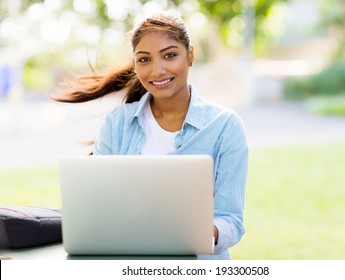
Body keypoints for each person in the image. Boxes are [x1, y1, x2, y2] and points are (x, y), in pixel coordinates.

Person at [53, 13, 248, 260]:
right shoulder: (117, 123)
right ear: (135, 65)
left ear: (190, 55)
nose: (157, 70)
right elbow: (99, 207)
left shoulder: (225, 126)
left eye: (169, 55)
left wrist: (201, 232)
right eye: (144, 59)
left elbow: (231, 220)